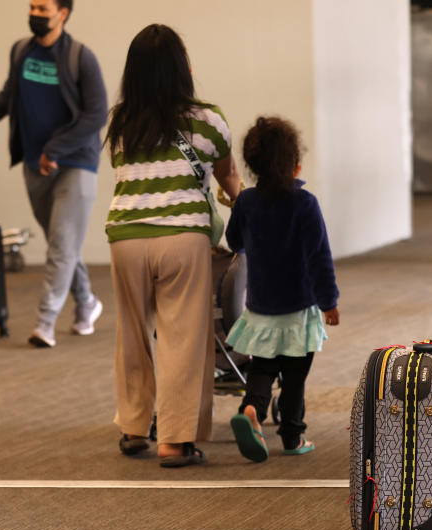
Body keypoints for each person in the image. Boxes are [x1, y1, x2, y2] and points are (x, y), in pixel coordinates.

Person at [105, 24, 243, 467]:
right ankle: (176, 439)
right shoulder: (207, 119)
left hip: (126, 236)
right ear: (183, 69)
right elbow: (230, 179)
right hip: (182, 237)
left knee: (131, 333)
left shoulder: (120, 121)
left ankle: (132, 426)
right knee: (183, 336)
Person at [0, 0, 107, 348]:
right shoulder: (21, 51)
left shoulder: (81, 57)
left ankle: (45, 323)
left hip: (76, 164)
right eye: (32, 7)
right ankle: (86, 303)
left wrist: (56, 149)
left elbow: (97, 115)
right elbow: (9, 95)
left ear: (63, 14)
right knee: (61, 244)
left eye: (43, 8)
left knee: (62, 245)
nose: (35, 13)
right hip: (33, 163)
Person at [224, 116, 340, 462]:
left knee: (261, 368)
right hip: (299, 307)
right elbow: (320, 257)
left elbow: (234, 241)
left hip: (261, 306)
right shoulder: (305, 204)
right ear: (294, 162)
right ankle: (292, 437)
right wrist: (328, 301)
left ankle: (251, 410)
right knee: (294, 377)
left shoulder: (246, 202)